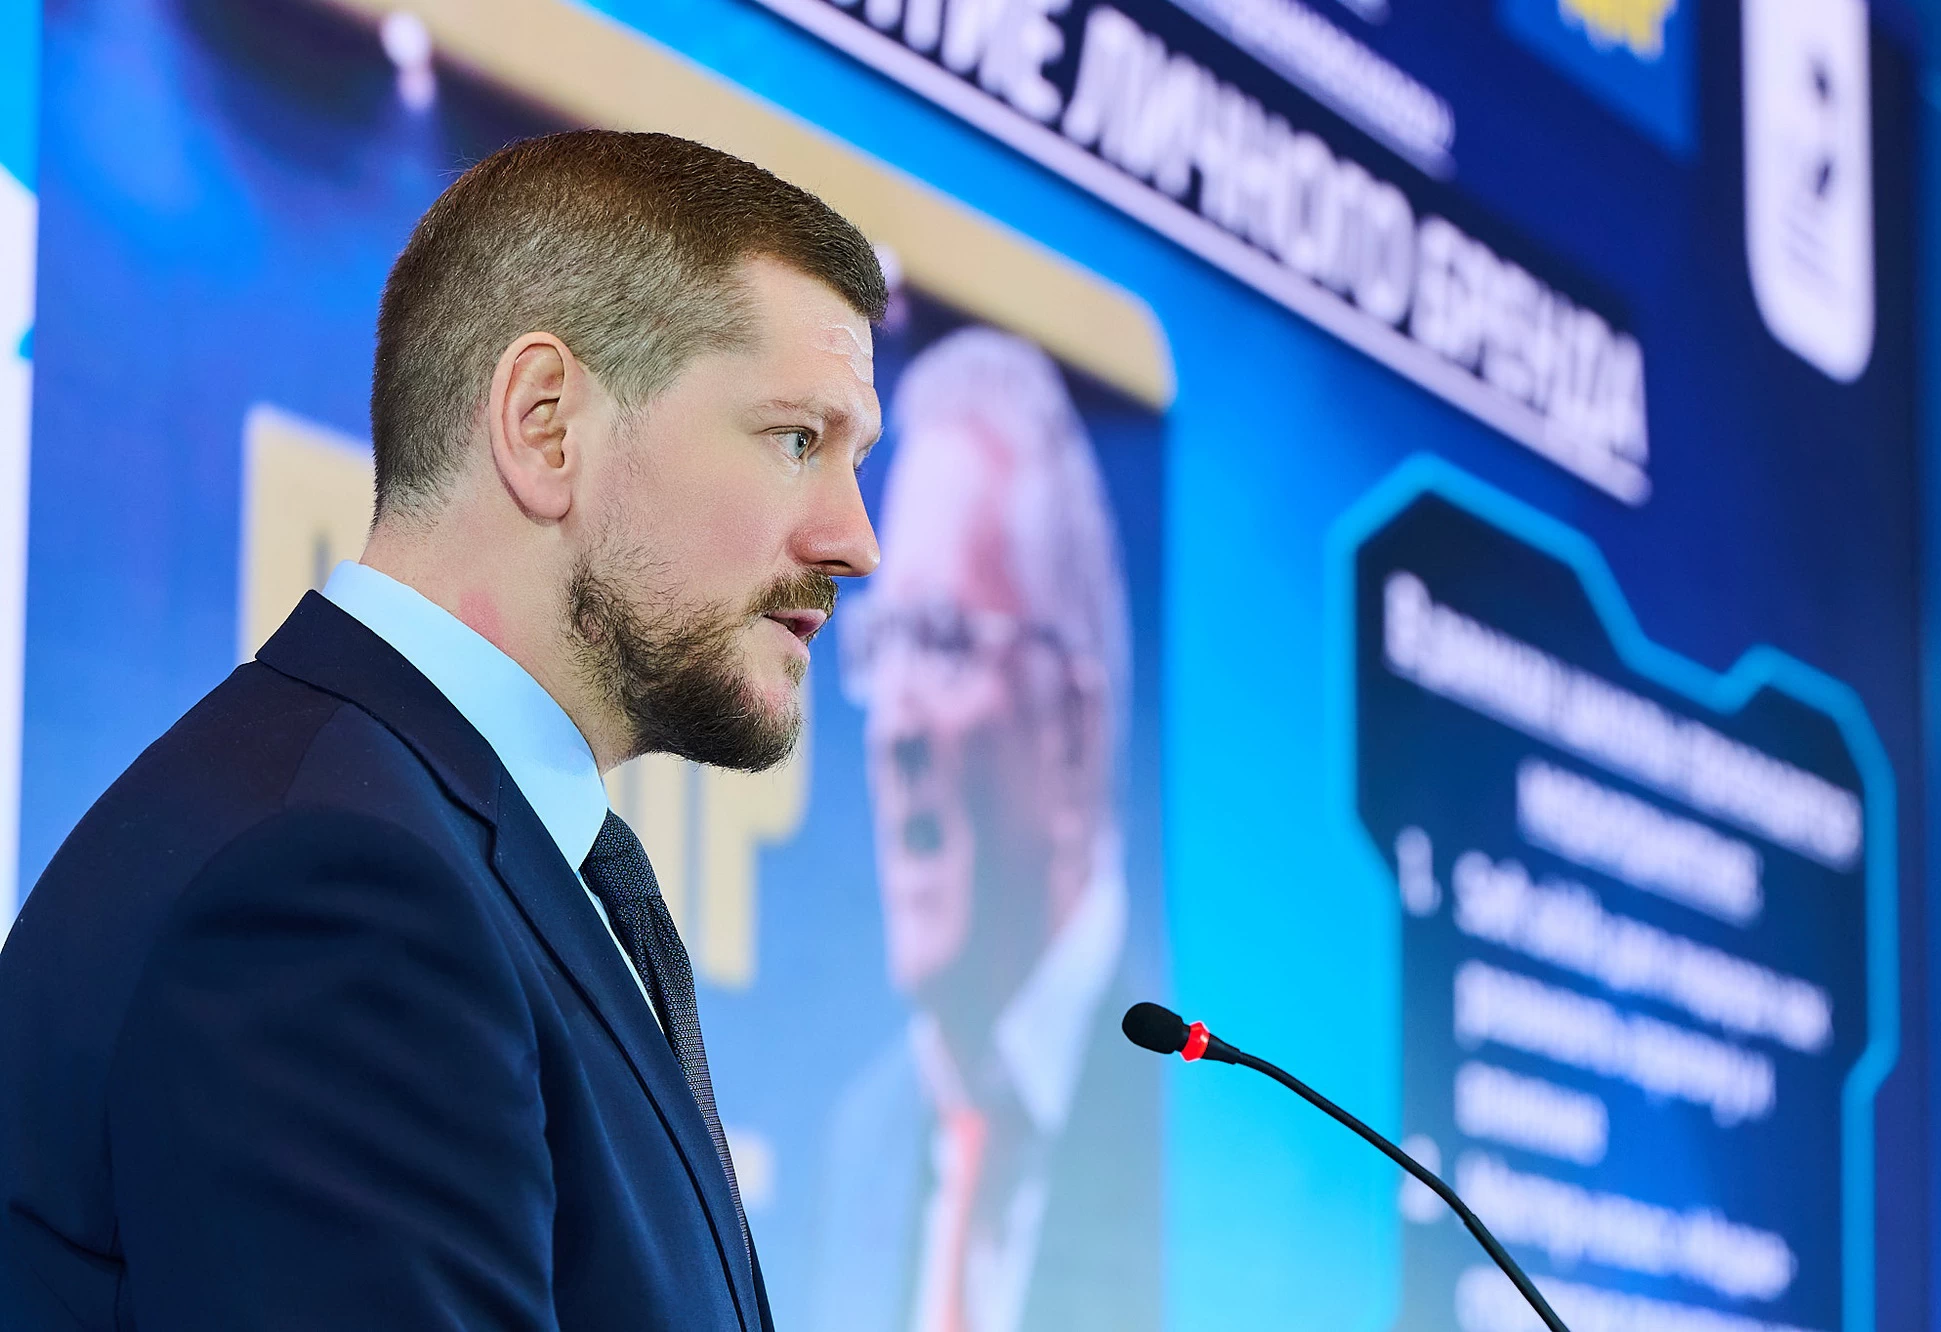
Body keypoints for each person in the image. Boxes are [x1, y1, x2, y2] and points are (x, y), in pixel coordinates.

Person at [0, 130, 884, 1329]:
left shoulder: (410, 841)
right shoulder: (339, 885)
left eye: (853, 458)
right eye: (797, 441)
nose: (853, 540)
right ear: (545, 424)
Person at [808, 328, 1158, 1332]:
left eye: (946, 643)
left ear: (1072, 733)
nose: (895, 726)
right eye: (886, 645)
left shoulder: (1204, 1111)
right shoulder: (863, 1144)